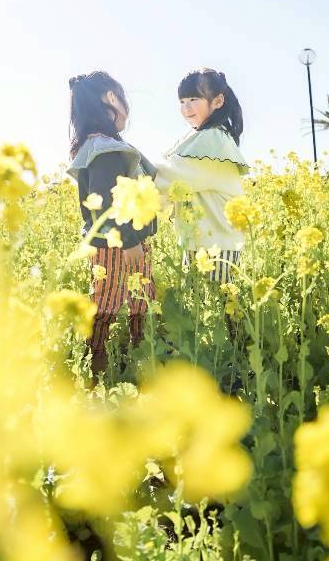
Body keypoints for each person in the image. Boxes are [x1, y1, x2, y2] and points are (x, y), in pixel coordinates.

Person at [66, 71, 157, 375]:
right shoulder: (105, 150)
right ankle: (100, 365)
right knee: (114, 301)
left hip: (114, 242)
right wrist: (130, 241)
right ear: (111, 100)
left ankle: (130, 356)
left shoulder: (99, 145)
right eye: (123, 98)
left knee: (133, 297)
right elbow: (106, 202)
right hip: (119, 244)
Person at [155, 68, 249, 284]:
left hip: (217, 249)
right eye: (182, 101)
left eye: (194, 99)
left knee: (218, 313)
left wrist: (130, 169)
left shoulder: (213, 140)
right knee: (205, 312)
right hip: (202, 246)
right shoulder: (206, 136)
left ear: (217, 102)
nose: (186, 107)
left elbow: (173, 179)